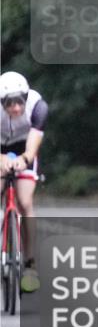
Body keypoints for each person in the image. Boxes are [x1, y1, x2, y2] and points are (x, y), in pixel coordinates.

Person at [0, 71, 48, 293]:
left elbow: (33, 144)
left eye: (20, 101)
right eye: (9, 104)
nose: (16, 108)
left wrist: (25, 159)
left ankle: (30, 263)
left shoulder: (38, 106)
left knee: (25, 201)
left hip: (24, 148)